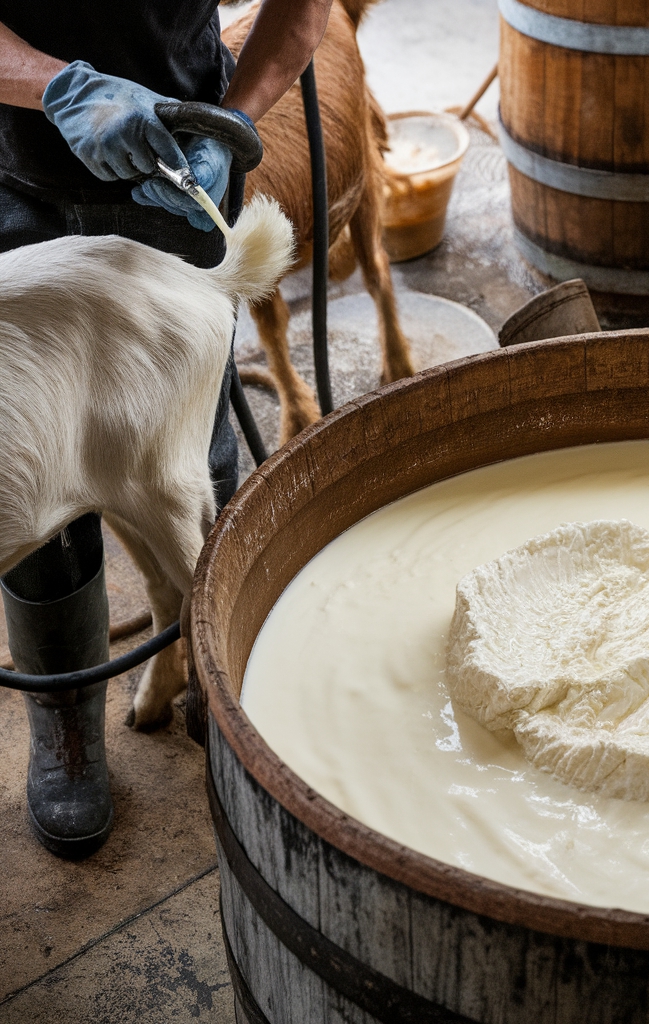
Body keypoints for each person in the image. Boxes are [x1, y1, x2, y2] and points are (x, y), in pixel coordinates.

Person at [0, 0, 331, 858]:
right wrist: (58, 87)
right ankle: (69, 723)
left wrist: (235, 121)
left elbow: (301, 12)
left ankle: (208, 679)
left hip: (176, 173)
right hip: (13, 176)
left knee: (186, 465)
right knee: (30, 463)